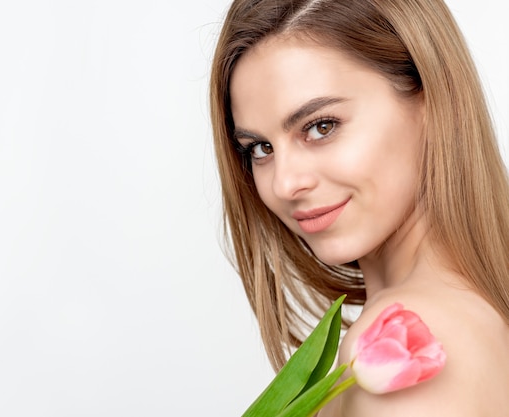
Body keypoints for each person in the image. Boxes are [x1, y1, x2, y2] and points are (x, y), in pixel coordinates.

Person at [209, 0, 509, 415]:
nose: (284, 183)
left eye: (321, 126)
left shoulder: (413, 339)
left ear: (432, 102)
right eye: (260, 148)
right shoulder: (476, 311)